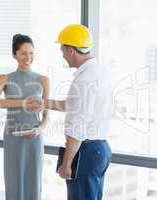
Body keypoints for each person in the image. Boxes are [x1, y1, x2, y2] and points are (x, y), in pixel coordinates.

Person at [44, 24, 113, 199]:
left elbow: (77, 126)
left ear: (71, 51)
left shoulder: (83, 80)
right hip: (100, 148)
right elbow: (75, 106)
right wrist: (44, 103)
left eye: (62, 51)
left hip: (86, 151)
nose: (63, 56)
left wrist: (67, 163)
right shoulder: (100, 71)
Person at [0, 34, 49, 200]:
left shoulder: (43, 80)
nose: (28, 57)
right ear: (14, 54)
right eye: (23, 53)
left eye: (31, 53)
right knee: (13, 184)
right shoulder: (5, 78)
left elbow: (46, 117)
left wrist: (39, 130)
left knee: (34, 185)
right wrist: (23, 103)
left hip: (34, 139)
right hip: (12, 138)